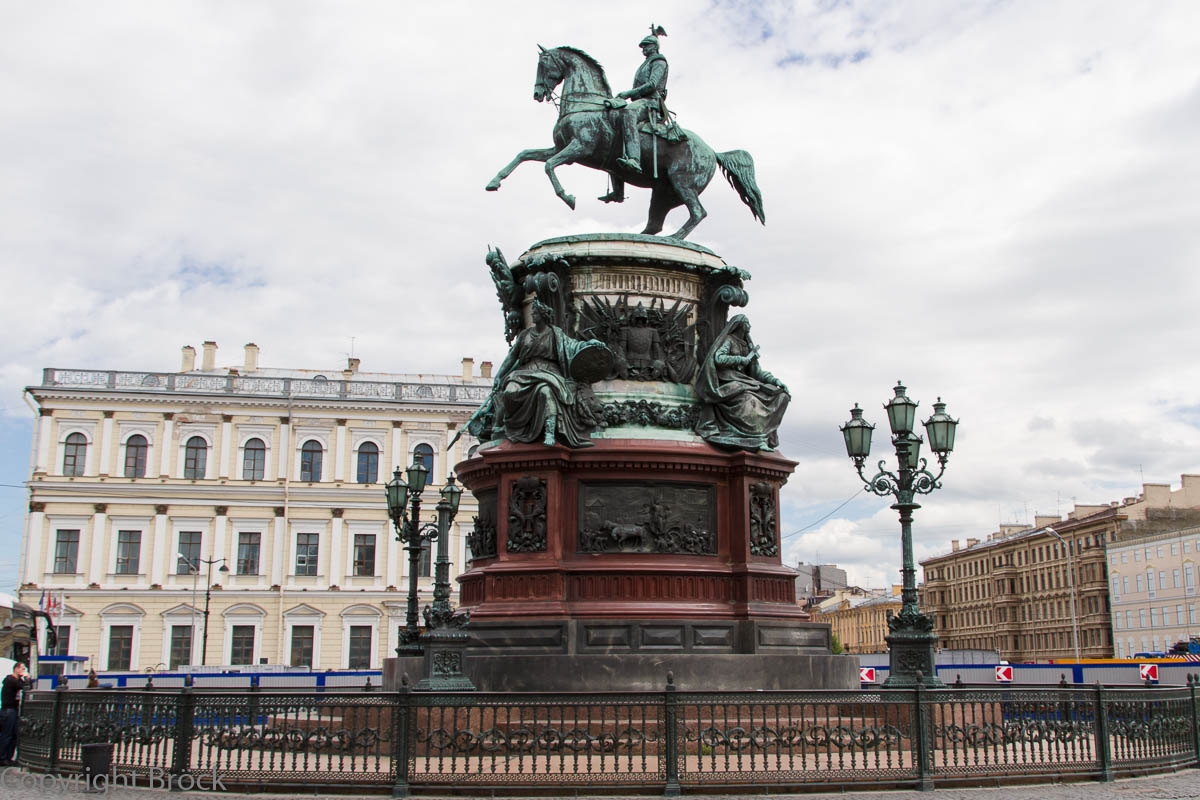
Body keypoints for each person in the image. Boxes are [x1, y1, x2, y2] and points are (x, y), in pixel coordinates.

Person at [491, 300, 606, 448]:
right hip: (526, 372)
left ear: (543, 315)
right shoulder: (525, 335)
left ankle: (550, 432)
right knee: (509, 392)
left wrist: (590, 343)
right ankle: (511, 426)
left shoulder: (555, 334)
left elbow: (573, 345)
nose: (532, 314)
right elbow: (511, 357)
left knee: (546, 391)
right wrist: (499, 376)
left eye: (535, 312)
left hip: (549, 372)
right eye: (532, 312)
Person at [694, 315, 790, 451]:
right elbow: (718, 358)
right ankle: (755, 439)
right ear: (740, 325)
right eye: (747, 323)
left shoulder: (748, 346)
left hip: (746, 382)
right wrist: (739, 359)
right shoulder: (729, 340)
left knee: (782, 396)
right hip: (729, 381)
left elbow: (757, 372)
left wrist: (775, 381)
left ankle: (762, 437)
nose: (749, 327)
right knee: (748, 401)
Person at [614, 34, 670, 175]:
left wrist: (629, 93)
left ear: (655, 46)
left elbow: (652, 85)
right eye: (642, 46)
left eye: (647, 45)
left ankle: (634, 159)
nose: (643, 49)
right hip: (640, 100)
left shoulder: (659, 61)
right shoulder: (645, 63)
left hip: (651, 102)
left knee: (628, 113)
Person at [0, 662, 30, 766]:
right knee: (7, 734)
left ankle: (8, 757)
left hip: (13, 710)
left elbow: (27, 687)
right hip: (8, 710)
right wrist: (26, 678)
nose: (24, 670)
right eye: (22, 668)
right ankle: (2, 757)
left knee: (13, 735)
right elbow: (25, 686)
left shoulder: (15, 681)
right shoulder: (10, 680)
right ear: (16, 669)